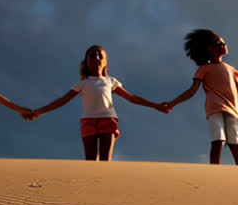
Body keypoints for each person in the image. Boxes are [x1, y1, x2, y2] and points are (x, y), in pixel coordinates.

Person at [31, 44, 169, 161]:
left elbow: (131, 98)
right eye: (92, 56)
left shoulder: (111, 81)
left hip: (108, 120)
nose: (96, 58)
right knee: (90, 161)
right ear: (86, 62)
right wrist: (39, 111)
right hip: (88, 122)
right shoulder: (83, 84)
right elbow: (62, 100)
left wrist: (155, 105)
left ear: (105, 63)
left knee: (105, 160)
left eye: (100, 56)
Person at [165, 29, 238, 165]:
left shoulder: (230, 69)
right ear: (209, 48)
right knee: (218, 139)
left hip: (233, 109)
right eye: (218, 43)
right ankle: (214, 170)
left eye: (223, 43)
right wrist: (173, 103)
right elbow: (191, 91)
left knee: (235, 142)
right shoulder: (204, 69)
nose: (223, 45)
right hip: (214, 107)